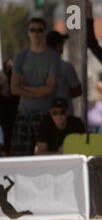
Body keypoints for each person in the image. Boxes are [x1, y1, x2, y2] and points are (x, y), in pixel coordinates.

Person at [10, 17, 60, 156]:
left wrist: (24, 88)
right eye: (33, 30)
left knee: (45, 156)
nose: (36, 33)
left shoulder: (52, 57)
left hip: (45, 114)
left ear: (44, 32)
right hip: (24, 114)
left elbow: (49, 89)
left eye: (40, 30)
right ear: (28, 32)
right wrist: (40, 90)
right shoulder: (21, 56)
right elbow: (14, 88)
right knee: (19, 156)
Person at [46, 30, 82, 114]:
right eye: (62, 44)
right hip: (64, 114)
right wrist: (64, 92)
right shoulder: (66, 67)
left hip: (45, 113)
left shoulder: (39, 67)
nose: (63, 47)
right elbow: (78, 91)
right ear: (58, 46)